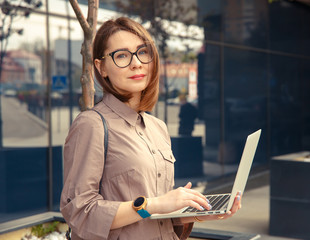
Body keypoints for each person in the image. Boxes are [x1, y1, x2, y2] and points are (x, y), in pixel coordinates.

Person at [60, 17, 242, 240]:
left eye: (142, 52)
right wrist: (155, 204)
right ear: (102, 67)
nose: (136, 63)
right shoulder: (91, 125)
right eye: (122, 56)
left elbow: (156, 214)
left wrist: (199, 213)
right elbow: (80, 213)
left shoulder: (157, 127)